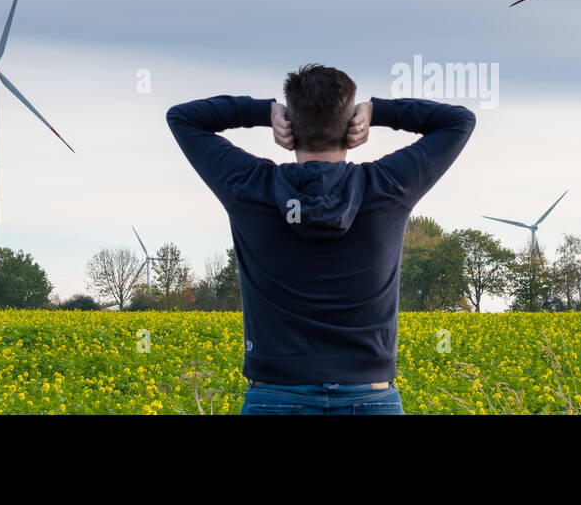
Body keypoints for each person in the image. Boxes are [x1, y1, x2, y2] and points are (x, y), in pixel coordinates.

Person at [166, 63, 475, 414]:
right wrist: (377, 112)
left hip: (275, 394)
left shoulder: (249, 187)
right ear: (351, 129)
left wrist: (263, 112)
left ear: (290, 128)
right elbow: (458, 121)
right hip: (370, 394)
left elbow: (183, 117)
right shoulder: (388, 187)